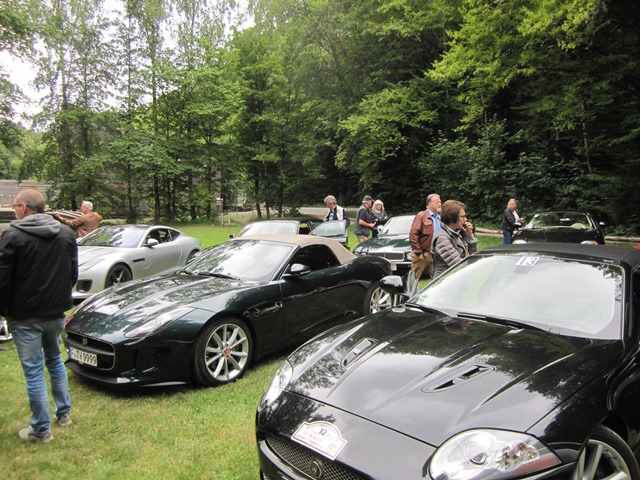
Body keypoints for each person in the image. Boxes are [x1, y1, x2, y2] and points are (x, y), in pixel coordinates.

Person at [0, 190, 78, 443]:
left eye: (15, 206)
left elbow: (3, 279)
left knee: (34, 370)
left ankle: (41, 430)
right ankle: (64, 414)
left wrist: (4, 310)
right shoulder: (66, 234)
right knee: (54, 360)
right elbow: (73, 274)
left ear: (24, 208)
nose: (14, 210)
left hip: (26, 316)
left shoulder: (13, 236)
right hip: (55, 312)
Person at [432, 199, 478, 278]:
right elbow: (458, 265)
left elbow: (473, 256)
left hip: (455, 279)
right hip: (444, 281)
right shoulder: (442, 238)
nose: (466, 219)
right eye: (462, 216)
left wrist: (470, 236)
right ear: (452, 217)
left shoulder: (456, 233)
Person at [409, 193, 442, 280]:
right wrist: (418, 252)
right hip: (423, 254)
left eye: (440, 202)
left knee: (438, 280)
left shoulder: (439, 218)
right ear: (430, 204)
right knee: (413, 280)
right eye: (437, 202)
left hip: (436, 254)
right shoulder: (421, 216)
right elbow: (413, 235)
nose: (440, 204)